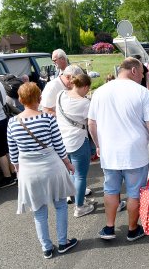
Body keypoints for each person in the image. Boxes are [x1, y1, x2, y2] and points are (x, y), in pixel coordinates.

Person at [88, 57, 149, 242]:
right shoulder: (142, 93)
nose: (142, 77)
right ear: (134, 71)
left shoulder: (100, 92)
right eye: (142, 73)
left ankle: (109, 227)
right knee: (134, 192)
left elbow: (91, 123)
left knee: (111, 190)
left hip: (109, 151)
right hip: (134, 152)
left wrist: (98, 145)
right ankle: (132, 229)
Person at [7, 82, 77, 259]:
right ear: (38, 98)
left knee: (39, 211)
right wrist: (68, 163)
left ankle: (46, 248)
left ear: (21, 99)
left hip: (29, 172)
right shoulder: (47, 118)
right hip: (52, 166)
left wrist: (18, 171)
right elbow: (59, 145)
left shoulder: (13, 123)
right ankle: (63, 242)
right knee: (60, 204)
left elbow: (13, 154)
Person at [55, 74, 95, 218]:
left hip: (61, 142)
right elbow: (90, 123)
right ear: (84, 87)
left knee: (72, 173)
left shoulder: (60, 95)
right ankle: (79, 207)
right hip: (78, 141)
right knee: (80, 176)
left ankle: (78, 199)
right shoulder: (85, 103)